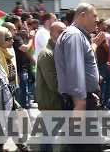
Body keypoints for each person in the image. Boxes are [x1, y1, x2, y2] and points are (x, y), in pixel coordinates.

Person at [54, 3, 103, 151]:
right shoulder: (74, 35)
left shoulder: (78, 35)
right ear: (83, 16)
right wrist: (80, 102)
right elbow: (75, 70)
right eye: (94, 16)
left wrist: (88, 93)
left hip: (82, 98)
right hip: (77, 102)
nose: (97, 19)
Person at [36, 22, 66, 151]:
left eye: (64, 32)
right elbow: (54, 83)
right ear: (51, 33)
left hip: (58, 101)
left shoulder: (58, 50)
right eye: (60, 32)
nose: (63, 35)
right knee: (48, 138)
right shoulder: (47, 54)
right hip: (51, 103)